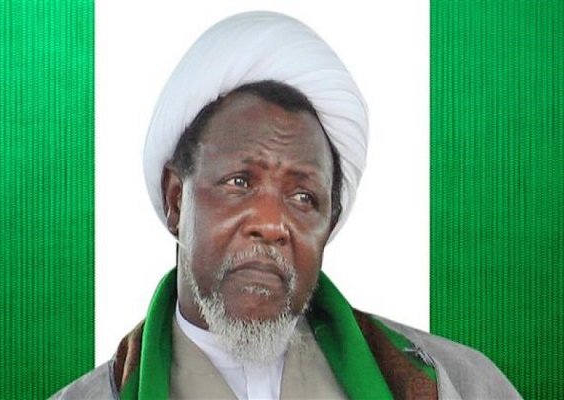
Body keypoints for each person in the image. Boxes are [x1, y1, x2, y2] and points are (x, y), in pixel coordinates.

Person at [51, 11, 521, 399]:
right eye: (240, 182)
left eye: (303, 197)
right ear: (177, 200)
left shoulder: (460, 385)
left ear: (329, 224)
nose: (271, 224)